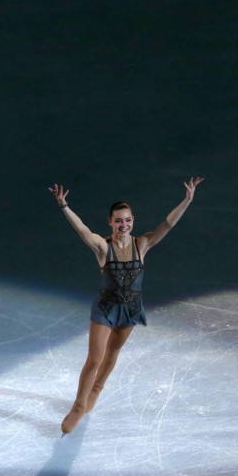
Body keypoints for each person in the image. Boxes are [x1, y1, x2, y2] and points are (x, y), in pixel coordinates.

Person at [48, 177, 204, 434]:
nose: (123, 224)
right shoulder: (102, 247)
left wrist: (187, 200)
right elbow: (82, 230)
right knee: (95, 357)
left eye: (128, 220)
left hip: (130, 308)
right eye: (118, 220)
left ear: (133, 221)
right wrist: (64, 206)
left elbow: (168, 223)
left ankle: (96, 389)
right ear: (110, 222)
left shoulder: (141, 244)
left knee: (112, 354)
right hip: (105, 308)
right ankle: (78, 406)